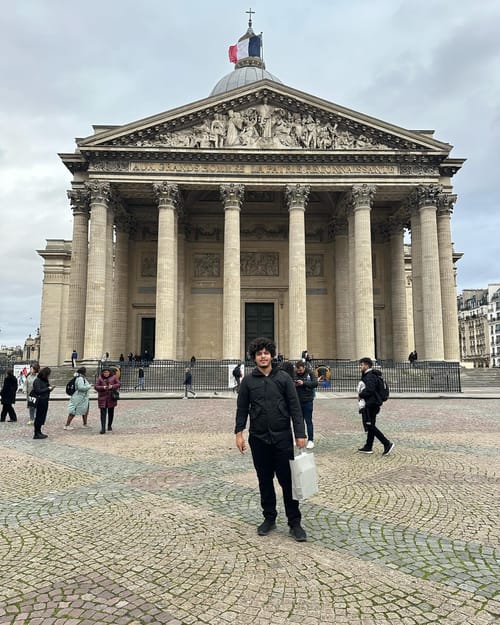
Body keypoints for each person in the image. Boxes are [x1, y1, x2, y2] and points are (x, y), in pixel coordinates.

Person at [235, 337, 308, 542]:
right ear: (254, 358)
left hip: (282, 437)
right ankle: (269, 517)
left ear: (272, 355)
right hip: (258, 438)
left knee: (288, 481)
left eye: (266, 353)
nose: (263, 356)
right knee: (264, 480)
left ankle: (294, 522)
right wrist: (239, 432)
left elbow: (295, 407)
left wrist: (300, 434)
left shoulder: (283, 378)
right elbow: (242, 409)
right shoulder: (248, 381)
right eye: (259, 354)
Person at [357, 357, 394, 456]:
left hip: (371, 404)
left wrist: (361, 395)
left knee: (370, 426)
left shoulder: (369, 376)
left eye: (361, 365)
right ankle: (368, 446)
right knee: (370, 425)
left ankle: (387, 443)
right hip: (373, 403)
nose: (360, 367)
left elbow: (370, 389)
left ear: (367, 365)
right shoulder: (371, 375)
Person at [294, 361, 318, 449]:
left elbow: (315, 383)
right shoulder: (294, 373)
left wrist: (303, 383)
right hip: (297, 401)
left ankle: (310, 440)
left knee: (308, 421)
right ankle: (300, 438)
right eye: (298, 370)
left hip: (307, 401)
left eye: (300, 370)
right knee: (299, 421)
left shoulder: (310, 373)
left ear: (304, 367)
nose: (299, 372)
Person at [94, 367, 121, 434]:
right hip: (102, 398)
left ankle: (109, 425)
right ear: (103, 373)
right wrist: (103, 387)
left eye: (107, 372)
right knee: (103, 413)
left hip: (111, 397)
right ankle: (103, 428)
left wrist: (112, 386)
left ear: (109, 372)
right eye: (105, 372)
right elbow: (96, 386)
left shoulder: (114, 377)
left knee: (111, 412)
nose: (106, 374)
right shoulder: (100, 378)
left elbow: (119, 384)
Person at [32, 367, 55, 439]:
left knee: (42, 417)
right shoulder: (37, 380)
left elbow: (46, 390)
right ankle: (36, 433)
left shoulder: (45, 381)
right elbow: (38, 391)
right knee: (39, 416)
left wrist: (50, 388)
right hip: (40, 401)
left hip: (45, 400)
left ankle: (39, 431)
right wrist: (48, 388)